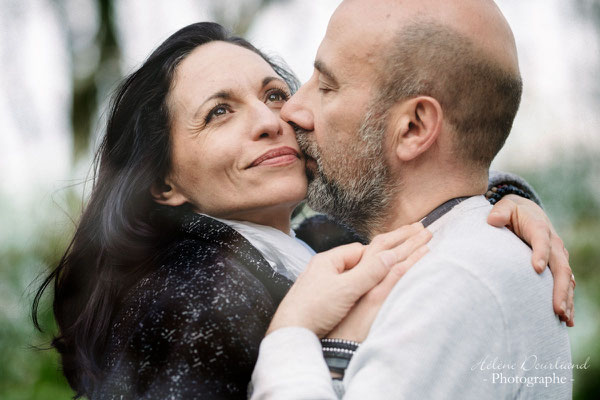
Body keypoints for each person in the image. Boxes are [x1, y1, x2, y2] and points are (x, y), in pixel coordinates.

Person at [31, 21, 572, 400]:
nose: (270, 120)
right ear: (165, 182)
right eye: (220, 112)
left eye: (272, 94)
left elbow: (407, 189)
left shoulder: (315, 241)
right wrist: (297, 332)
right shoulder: (178, 301)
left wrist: (501, 200)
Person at [250, 0, 573, 398]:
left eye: (327, 86)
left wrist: (290, 334)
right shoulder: (466, 258)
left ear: (413, 128)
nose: (293, 110)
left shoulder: (450, 285)